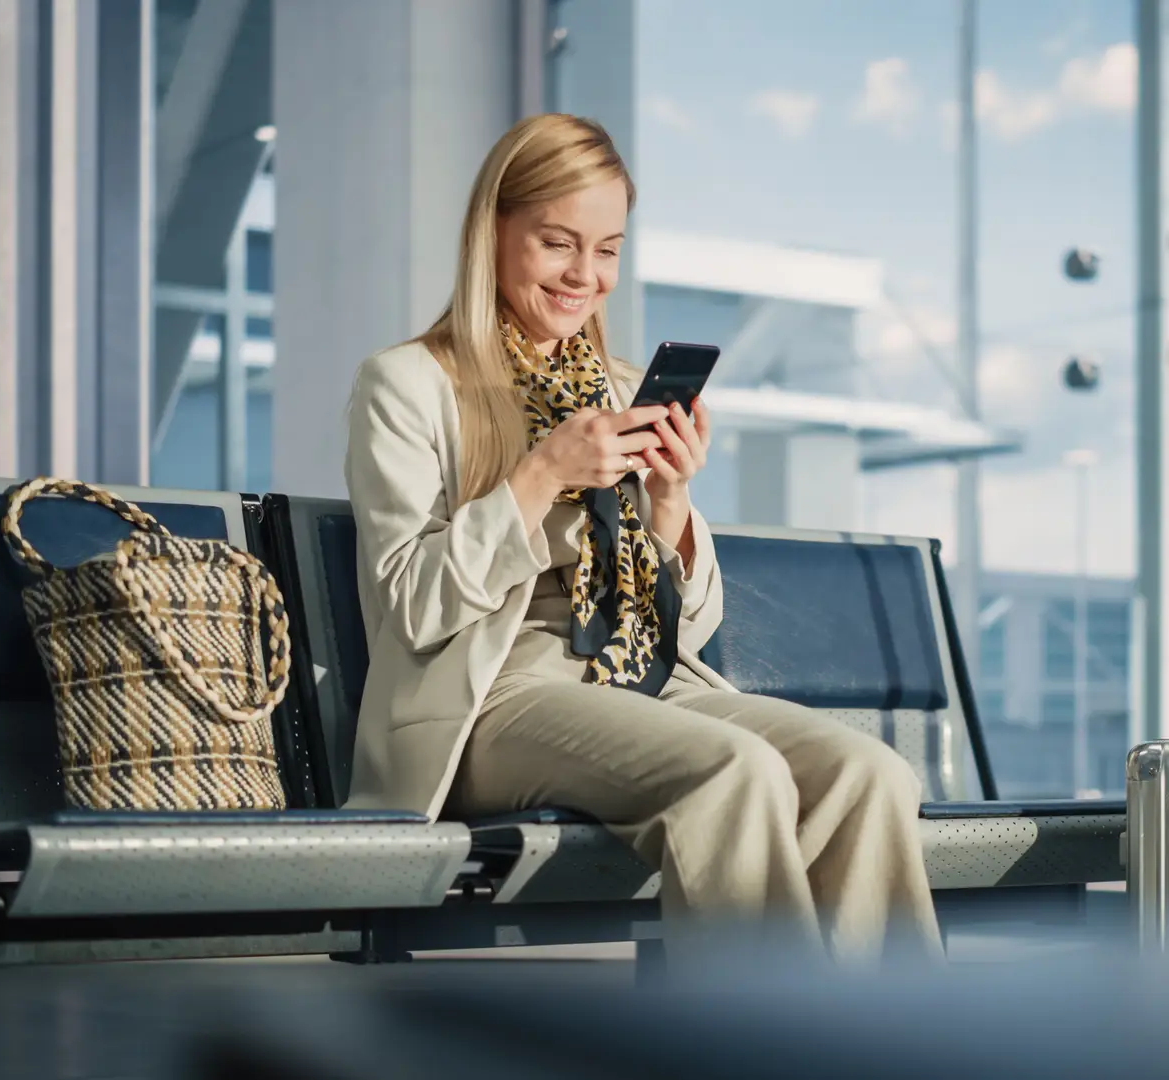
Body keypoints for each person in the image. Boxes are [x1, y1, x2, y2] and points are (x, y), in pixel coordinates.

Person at [340, 113, 943, 967]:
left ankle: (899, 1044)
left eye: (608, 249)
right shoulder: (408, 384)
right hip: (492, 695)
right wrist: (542, 472)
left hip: (638, 681)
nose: (586, 275)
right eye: (558, 242)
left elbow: (685, 633)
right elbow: (408, 603)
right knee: (735, 771)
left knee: (869, 775)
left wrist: (671, 500)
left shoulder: (620, 390)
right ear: (494, 231)